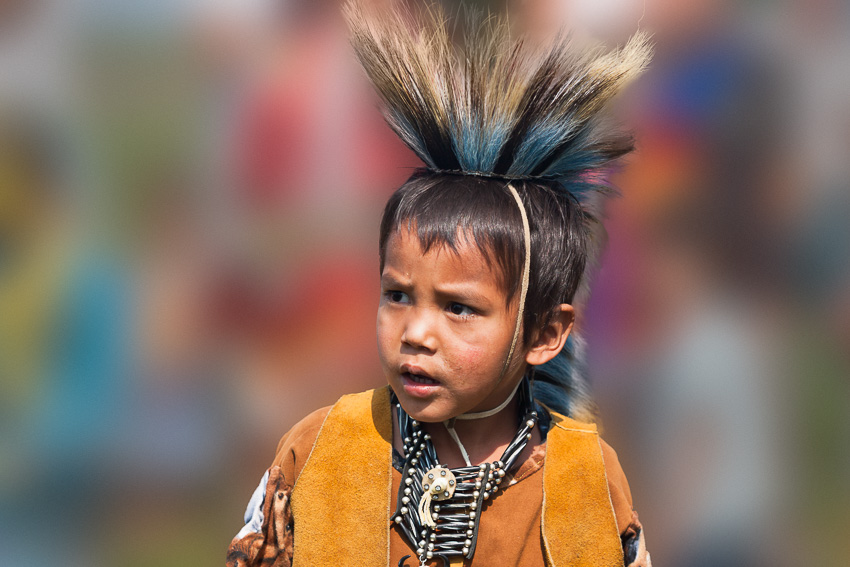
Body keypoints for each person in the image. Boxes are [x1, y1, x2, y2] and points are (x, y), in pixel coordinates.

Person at [226, 1, 652, 565]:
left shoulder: (585, 480)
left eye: (458, 308)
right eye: (398, 296)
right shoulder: (320, 450)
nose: (416, 332)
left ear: (544, 332)